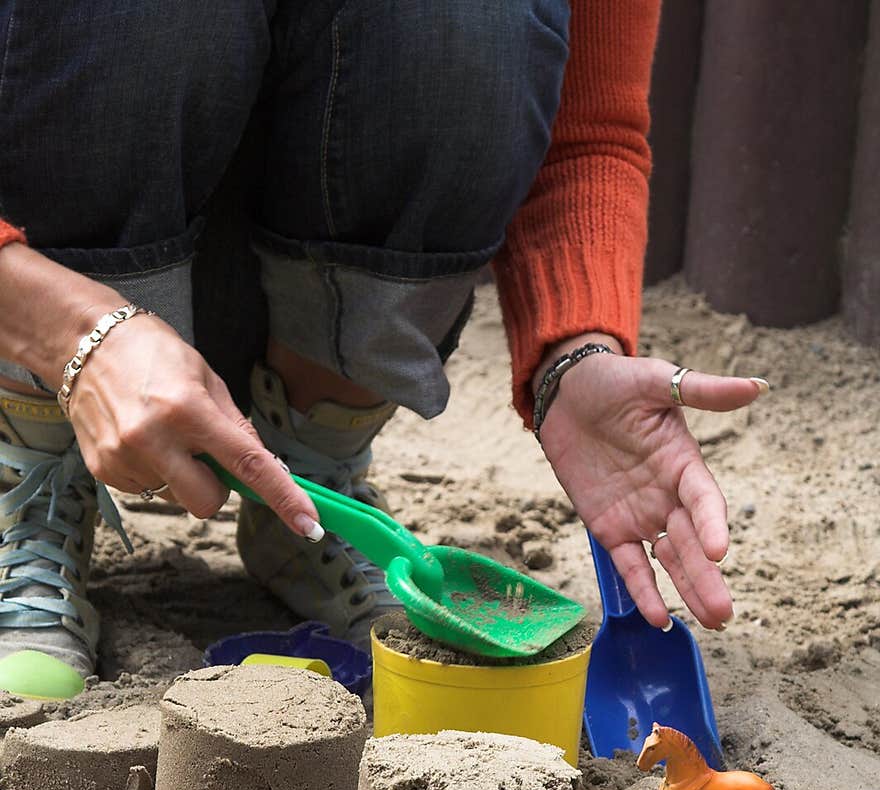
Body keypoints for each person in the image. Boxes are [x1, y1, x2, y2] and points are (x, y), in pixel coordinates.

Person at [0, 0, 765, 699]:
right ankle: (32, 467)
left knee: (473, 22)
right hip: (54, 285)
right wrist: (69, 332)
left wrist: (576, 353)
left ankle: (311, 471)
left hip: (291, 283)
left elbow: (585, 127)